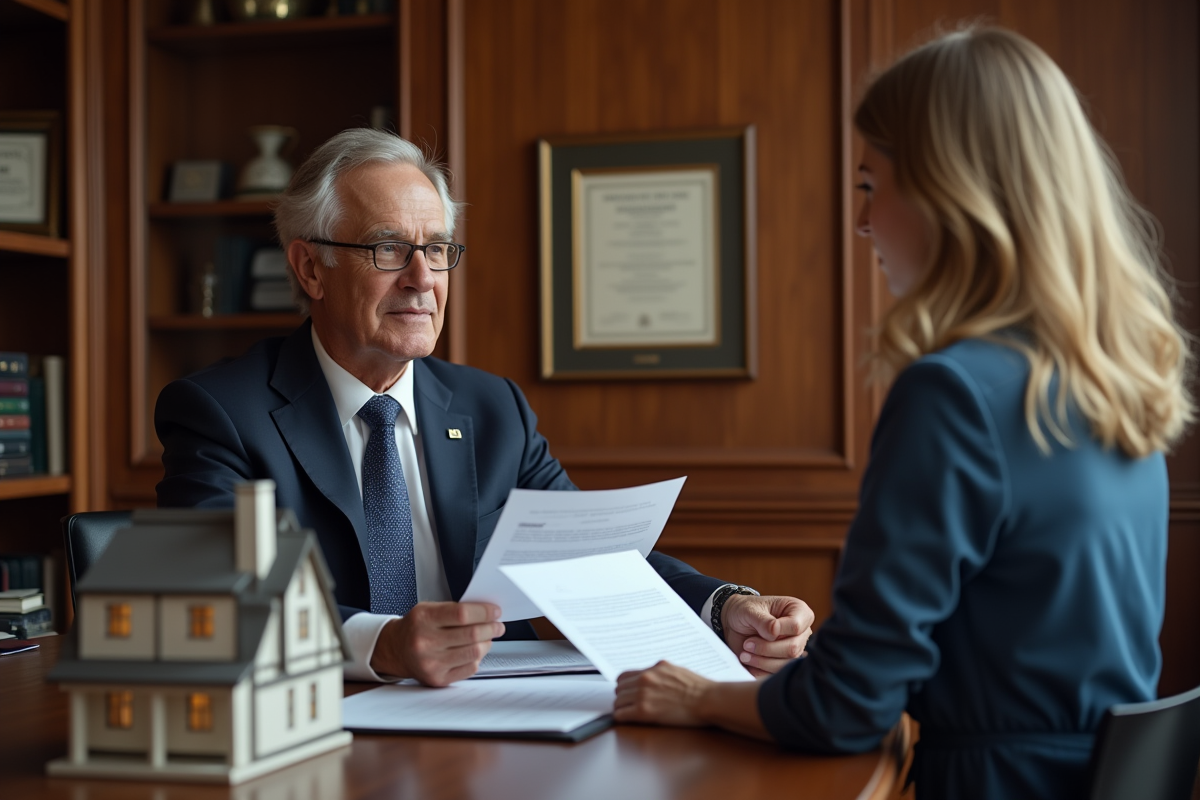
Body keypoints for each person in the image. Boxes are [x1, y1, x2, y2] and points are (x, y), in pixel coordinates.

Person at [611, 26, 1193, 800]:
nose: (861, 223)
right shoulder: (1116, 378)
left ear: (949, 193)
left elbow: (844, 709)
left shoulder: (952, 393)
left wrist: (695, 697)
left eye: (869, 184)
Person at [155, 128, 815, 688]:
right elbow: (221, 596)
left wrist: (724, 606)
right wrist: (381, 644)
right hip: (317, 727)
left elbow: (593, 558)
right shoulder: (220, 411)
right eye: (388, 248)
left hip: (500, 725)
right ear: (310, 268)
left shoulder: (492, 407)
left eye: (437, 250)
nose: (422, 279)